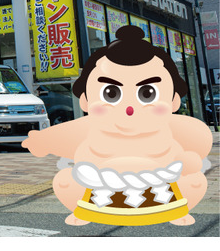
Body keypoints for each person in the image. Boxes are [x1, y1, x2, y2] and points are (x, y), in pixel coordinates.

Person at [22, 25, 212, 226]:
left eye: (147, 93)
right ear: (85, 100)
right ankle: (84, 211)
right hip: (99, 187)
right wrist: (42, 141)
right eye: (111, 94)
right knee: (65, 181)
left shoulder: (171, 125)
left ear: (174, 101)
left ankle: (178, 211)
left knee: (195, 181)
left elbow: (199, 139)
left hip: (162, 187)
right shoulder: (92, 126)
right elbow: (65, 135)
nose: (129, 108)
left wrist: (189, 160)